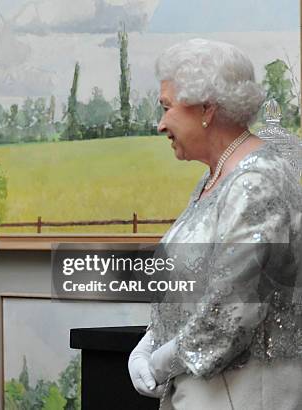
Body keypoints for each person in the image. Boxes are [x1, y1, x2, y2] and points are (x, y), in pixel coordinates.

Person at [128, 38, 302, 409]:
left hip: (243, 394)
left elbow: (231, 313)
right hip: (204, 390)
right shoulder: (217, 178)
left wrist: (156, 362)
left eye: (166, 107)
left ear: (206, 108)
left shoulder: (258, 182)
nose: (160, 125)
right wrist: (149, 341)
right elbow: (193, 284)